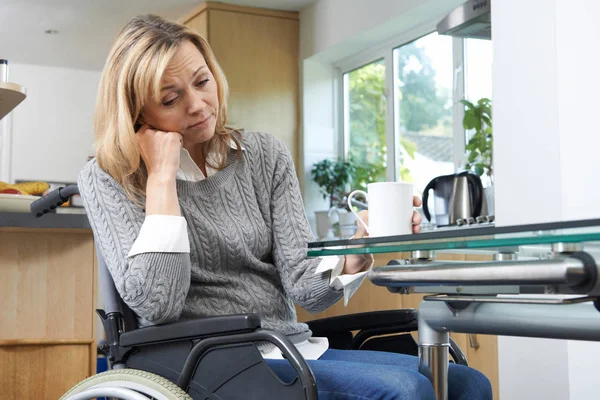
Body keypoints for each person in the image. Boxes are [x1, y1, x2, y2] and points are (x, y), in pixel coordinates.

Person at [78, 14, 492, 400]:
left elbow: (304, 287)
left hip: (287, 349)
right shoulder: (108, 176)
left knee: (467, 384)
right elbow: (158, 303)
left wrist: (359, 249)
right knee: (405, 390)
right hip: (201, 361)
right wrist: (161, 178)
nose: (198, 105)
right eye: (171, 99)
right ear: (136, 113)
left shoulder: (264, 155)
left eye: (203, 82)